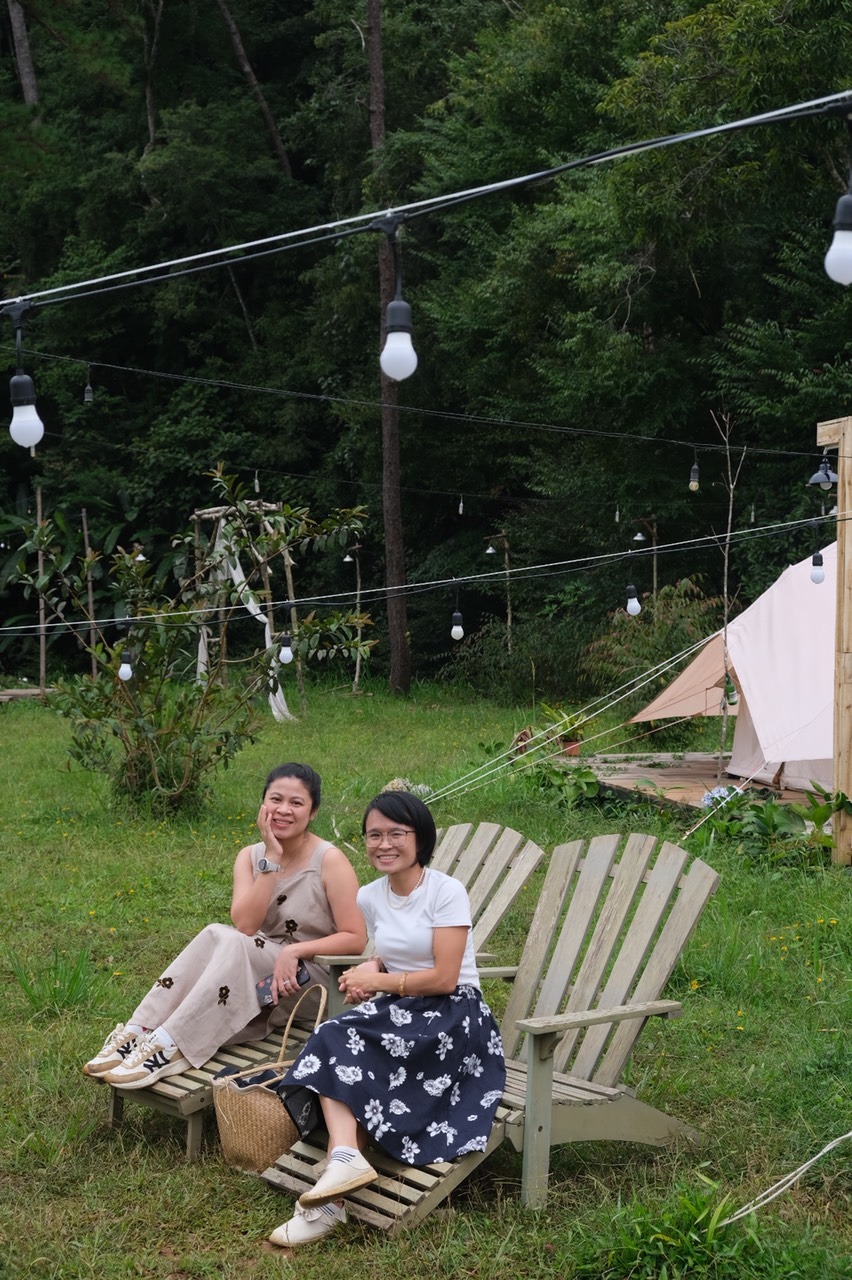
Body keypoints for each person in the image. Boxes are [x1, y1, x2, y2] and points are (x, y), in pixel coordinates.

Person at [268, 790, 506, 1249]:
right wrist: (374, 966)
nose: (384, 844)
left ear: (421, 838)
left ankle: (330, 1199)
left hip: (454, 1017)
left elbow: (445, 976)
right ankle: (344, 1162)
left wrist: (377, 981)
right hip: (403, 1008)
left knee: (349, 1051)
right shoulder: (371, 895)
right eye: (374, 835)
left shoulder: (446, 891)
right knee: (332, 1035)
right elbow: (393, 949)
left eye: (396, 833)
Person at [83, 762, 366, 1089]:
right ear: (263, 804)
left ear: (313, 811)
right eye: (276, 799)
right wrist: (272, 860)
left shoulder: (329, 860)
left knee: (231, 940)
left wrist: (296, 951)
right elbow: (246, 924)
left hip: (308, 981)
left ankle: (170, 1045)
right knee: (218, 933)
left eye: (296, 803)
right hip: (254, 972)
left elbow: (355, 937)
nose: (283, 810)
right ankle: (138, 1031)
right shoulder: (250, 856)